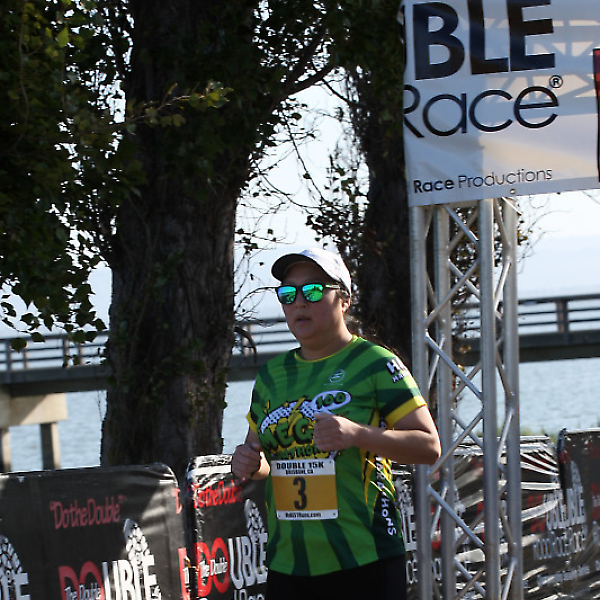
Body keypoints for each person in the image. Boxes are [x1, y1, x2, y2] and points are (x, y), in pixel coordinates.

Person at [231, 247, 441, 600]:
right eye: (288, 293)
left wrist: (358, 434)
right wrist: (248, 464)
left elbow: (429, 446)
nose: (299, 302)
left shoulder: (375, 362)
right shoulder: (270, 376)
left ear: (344, 300)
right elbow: (263, 461)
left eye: (313, 290)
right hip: (290, 561)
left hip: (364, 556)